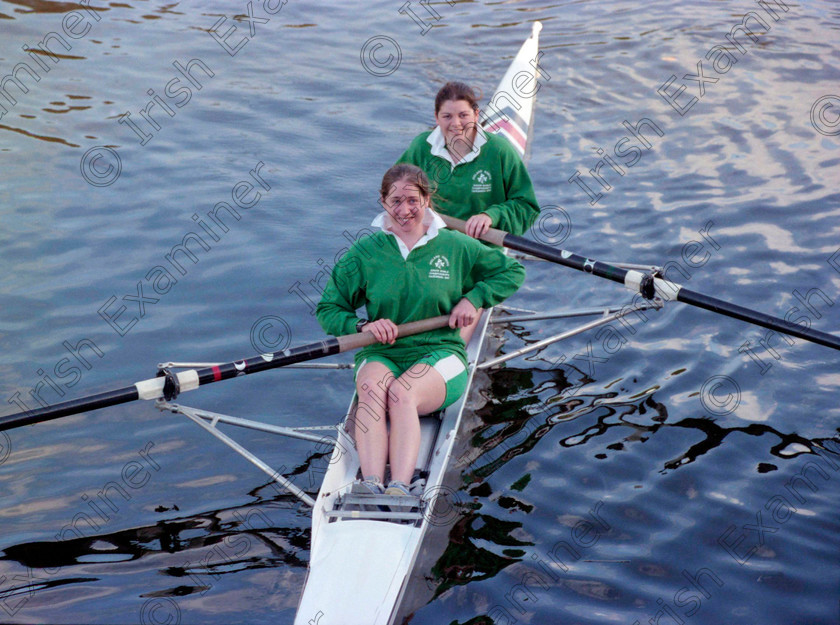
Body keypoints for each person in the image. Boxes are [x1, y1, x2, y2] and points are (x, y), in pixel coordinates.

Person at [316, 164, 525, 496]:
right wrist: (362, 325)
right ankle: (369, 485)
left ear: (427, 199)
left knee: (401, 393)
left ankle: (400, 486)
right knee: (370, 391)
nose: (404, 210)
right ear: (383, 202)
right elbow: (328, 309)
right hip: (382, 351)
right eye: (395, 201)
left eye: (412, 200)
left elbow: (511, 271)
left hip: (441, 351)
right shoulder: (364, 254)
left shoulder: (456, 245)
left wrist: (474, 299)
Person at [395, 81, 539, 239]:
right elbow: (393, 193)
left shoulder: (500, 151)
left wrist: (491, 216)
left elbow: (527, 207)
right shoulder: (421, 147)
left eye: (463, 115)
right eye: (447, 116)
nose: (456, 124)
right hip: (431, 242)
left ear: (476, 115)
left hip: (481, 246)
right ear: (437, 117)